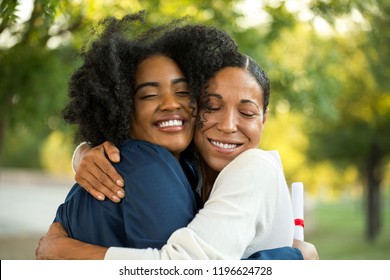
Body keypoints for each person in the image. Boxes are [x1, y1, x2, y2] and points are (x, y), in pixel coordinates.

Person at [36, 14, 319, 260]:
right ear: (121, 105)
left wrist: (64, 251)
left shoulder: (196, 169)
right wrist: (293, 258)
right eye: (213, 106)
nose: (229, 125)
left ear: (264, 118)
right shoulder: (148, 163)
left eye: (182, 92)